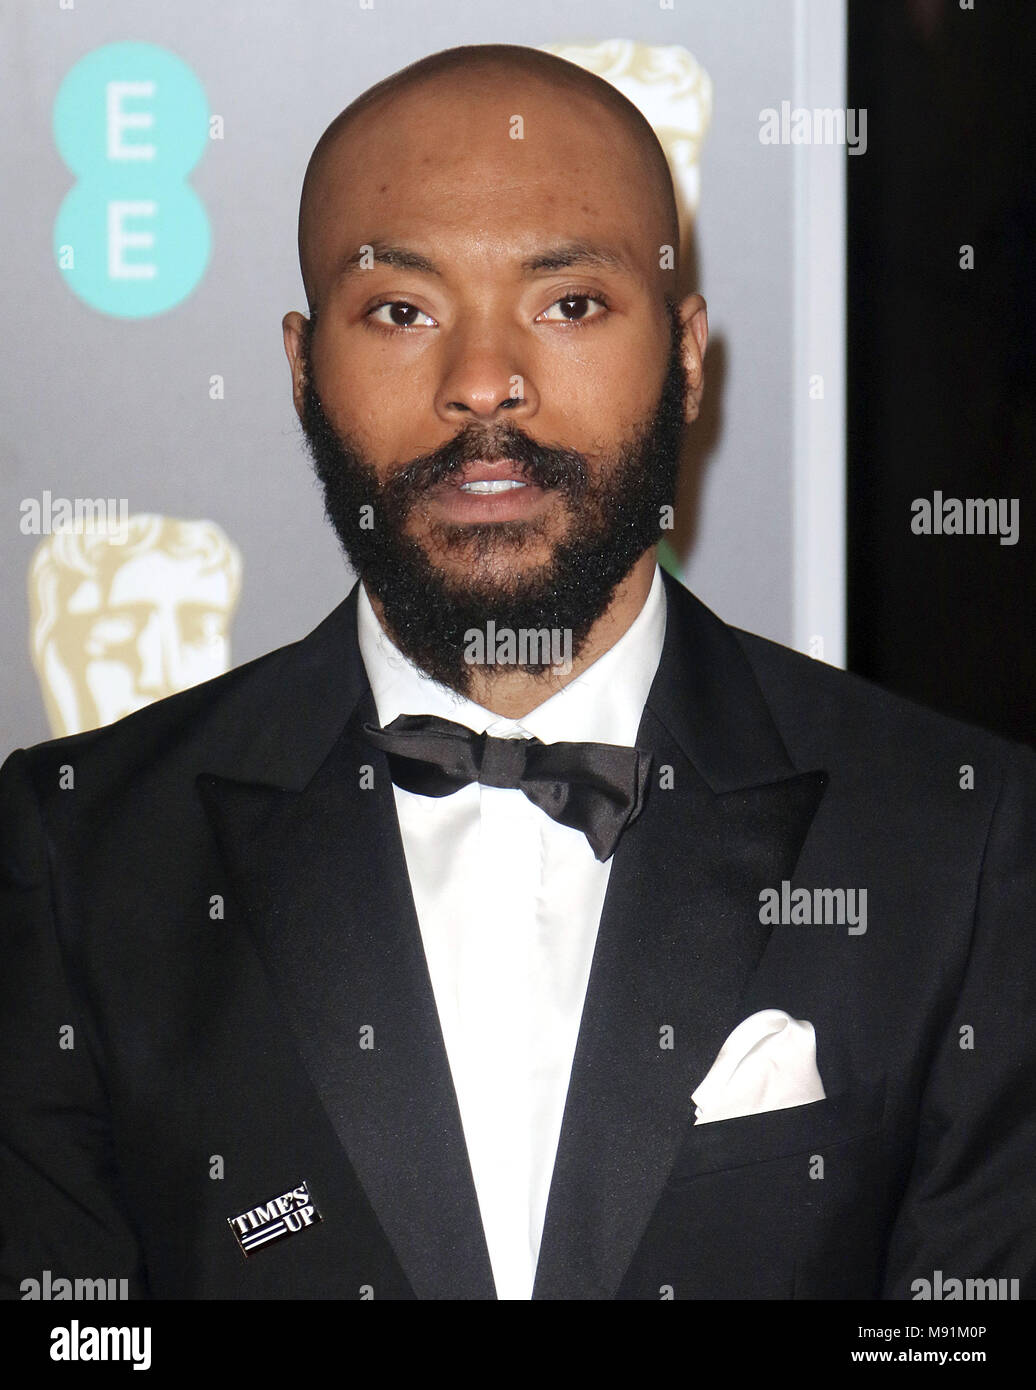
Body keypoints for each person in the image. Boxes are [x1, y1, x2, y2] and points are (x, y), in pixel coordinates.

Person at [1, 42, 1034, 1302]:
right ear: (298, 366)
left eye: (569, 303)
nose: (482, 382)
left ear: (690, 354)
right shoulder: (80, 850)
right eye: (401, 311)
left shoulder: (959, 837)